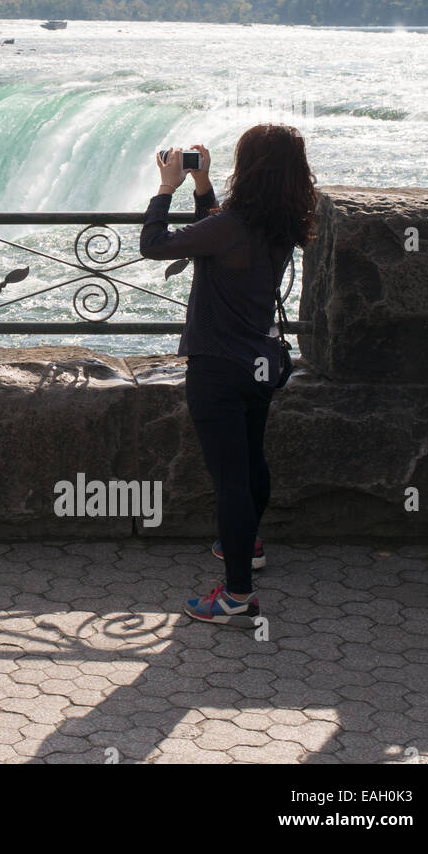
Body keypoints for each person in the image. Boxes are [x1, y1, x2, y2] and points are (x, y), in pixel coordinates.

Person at [139, 126, 316, 624]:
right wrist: (202, 188)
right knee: (252, 462)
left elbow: (154, 245)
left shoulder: (234, 224)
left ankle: (237, 596)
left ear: (249, 166)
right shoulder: (280, 222)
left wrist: (165, 187)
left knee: (230, 482)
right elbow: (212, 241)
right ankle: (249, 546)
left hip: (217, 366)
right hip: (258, 363)